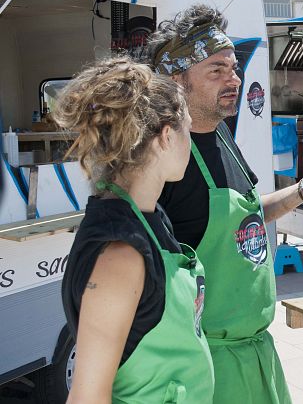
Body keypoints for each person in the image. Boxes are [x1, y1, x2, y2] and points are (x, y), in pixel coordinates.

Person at [149, 4, 303, 404]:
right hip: (204, 365)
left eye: (233, 68)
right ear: (176, 81)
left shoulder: (221, 136)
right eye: (216, 70)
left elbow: (247, 215)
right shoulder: (161, 160)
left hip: (256, 352)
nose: (233, 79)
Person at [57, 57, 214, 402]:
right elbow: (87, 397)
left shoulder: (150, 215)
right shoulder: (121, 256)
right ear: (166, 137)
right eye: (187, 128)